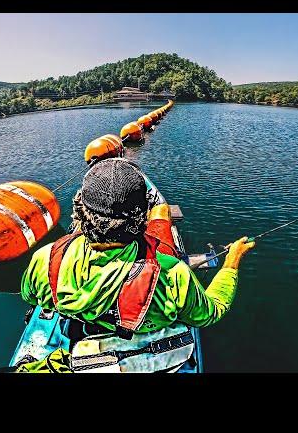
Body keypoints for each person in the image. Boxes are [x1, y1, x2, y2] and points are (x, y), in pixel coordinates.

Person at [19, 158, 255, 372]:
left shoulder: (46, 258)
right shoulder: (172, 273)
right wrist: (232, 261)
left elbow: (30, 296)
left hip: (85, 352)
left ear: (79, 213)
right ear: (143, 217)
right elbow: (211, 313)